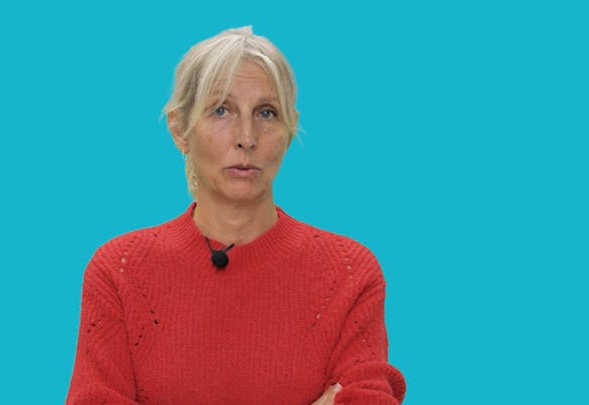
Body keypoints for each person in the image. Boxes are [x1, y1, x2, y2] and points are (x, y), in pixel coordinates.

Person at [66, 26, 406, 405]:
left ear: (289, 129)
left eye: (266, 113)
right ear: (180, 130)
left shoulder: (349, 272)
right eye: (221, 110)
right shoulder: (119, 271)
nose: (247, 137)